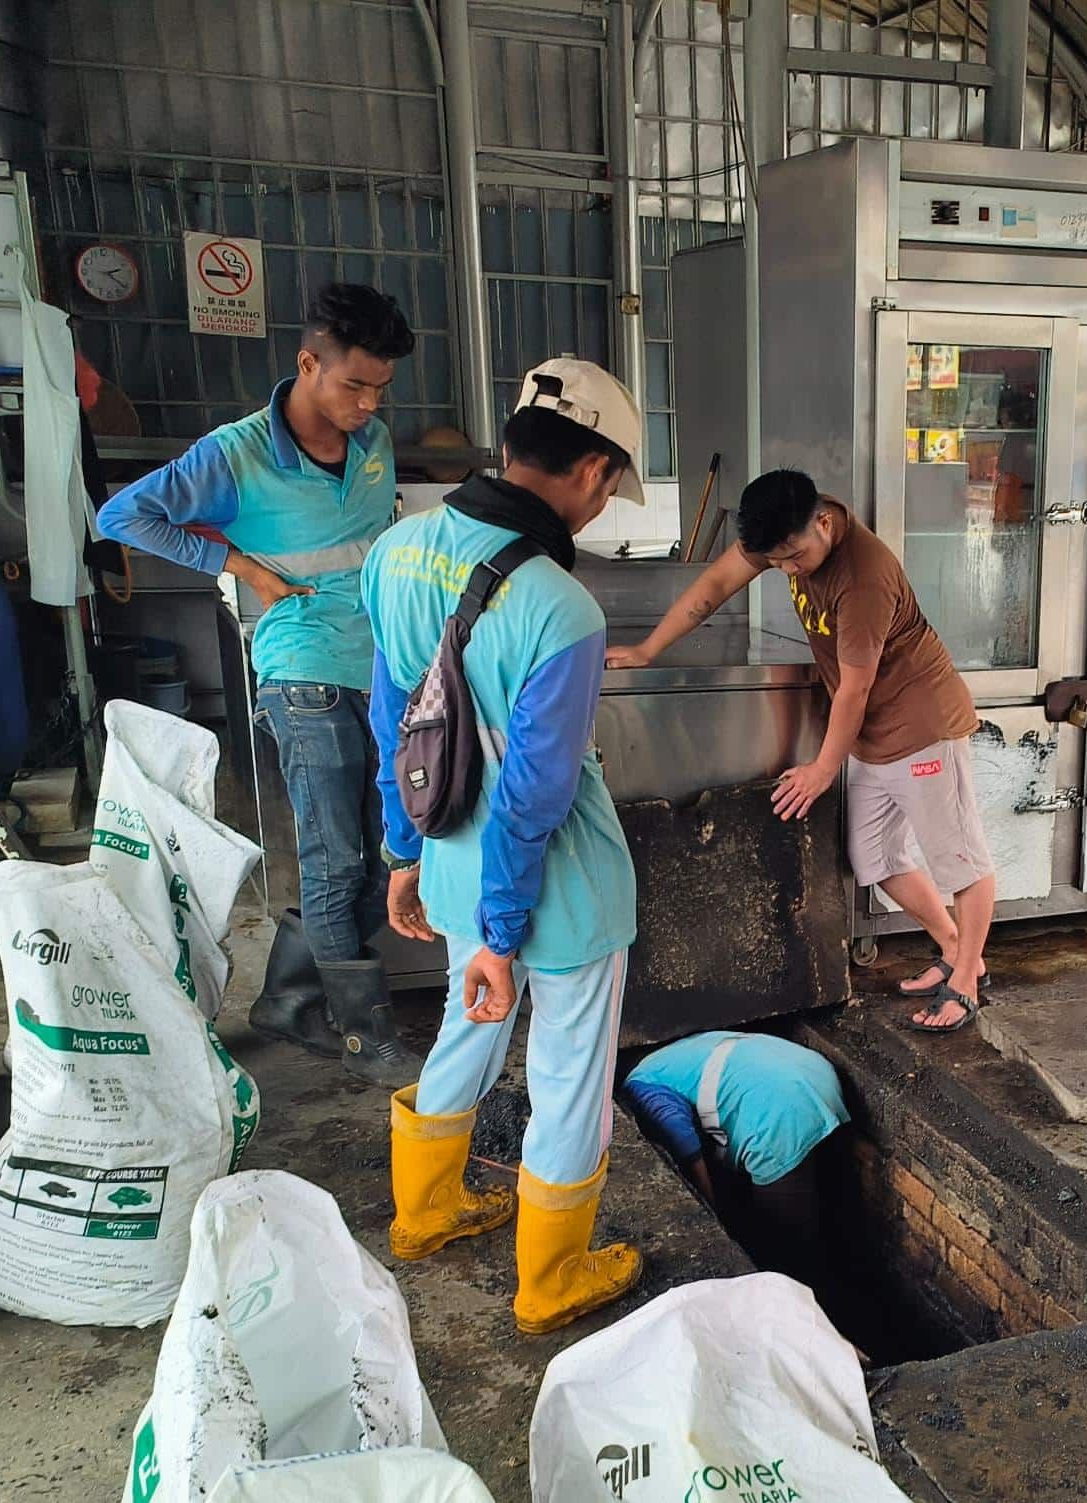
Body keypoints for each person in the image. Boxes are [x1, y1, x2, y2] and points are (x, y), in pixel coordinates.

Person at [365, 358, 647, 1335]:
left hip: (447, 862)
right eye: (611, 490)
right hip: (558, 899)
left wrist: (405, 853)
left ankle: (424, 1212)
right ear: (596, 472)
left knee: (469, 1026)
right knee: (569, 1078)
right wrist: (504, 929)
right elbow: (535, 794)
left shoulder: (395, 554)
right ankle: (551, 1279)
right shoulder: (560, 608)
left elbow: (394, 724)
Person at [95, 282, 416, 1083]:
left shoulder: (373, 442)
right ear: (308, 364)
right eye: (354, 384)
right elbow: (122, 517)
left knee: (385, 852)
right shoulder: (233, 454)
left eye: (380, 387)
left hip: (381, 666)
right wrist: (235, 563)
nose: (369, 403)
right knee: (336, 856)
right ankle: (357, 1028)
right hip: (301, 668)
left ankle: (285, 998)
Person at [611, 472, 996, 1035]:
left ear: (823, 523)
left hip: (921, 725)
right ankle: (957, 947)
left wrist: (822, 769)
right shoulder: (784, 533)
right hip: (867, 732)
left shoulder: (863, 576)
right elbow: (714, 587)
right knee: (872, 859)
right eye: (776, 562)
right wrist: (648, 649)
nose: (788, 570)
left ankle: (965, 983)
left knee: (961, 860)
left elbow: (855, 689)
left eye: (794, 558)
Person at [622, 1030, 849, 1252]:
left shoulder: (638, 1087)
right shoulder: (676, 1056)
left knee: (786, 1242)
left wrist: (713, 1217)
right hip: (816, 1071)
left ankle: (808, 1278)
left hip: (779, 1112)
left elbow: (685, 1144)